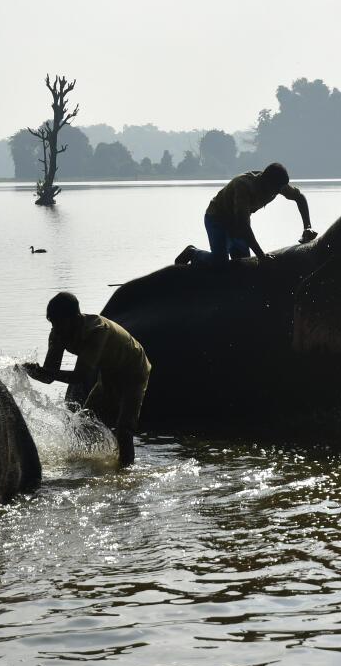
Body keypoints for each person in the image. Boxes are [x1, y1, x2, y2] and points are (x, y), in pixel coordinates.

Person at [22, 292, 151, 466]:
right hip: (108, 372)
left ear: (74, 318)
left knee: (124, 429)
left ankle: (126, 472)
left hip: (134, 368)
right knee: (86, 420)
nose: (55, 328)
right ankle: (93, 459)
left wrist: (47, 373)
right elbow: (48, 377)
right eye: (52, 323)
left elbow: (79, 376)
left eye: (59, 323)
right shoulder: (58, 333)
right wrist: (29, 370)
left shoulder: (96, 331)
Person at [175, 162, 317, 266]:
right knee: (220, 263)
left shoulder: (277, 185)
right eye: (275, 189)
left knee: (243, 265)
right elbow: (243, 225)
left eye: (280, 189)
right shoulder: (243, 186)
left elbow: (299, 198)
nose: (277, 192)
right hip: (217, 218)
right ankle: (193, 252)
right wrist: (261, 256)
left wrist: (307, 227)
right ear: (266, 182)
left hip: (237, 223)